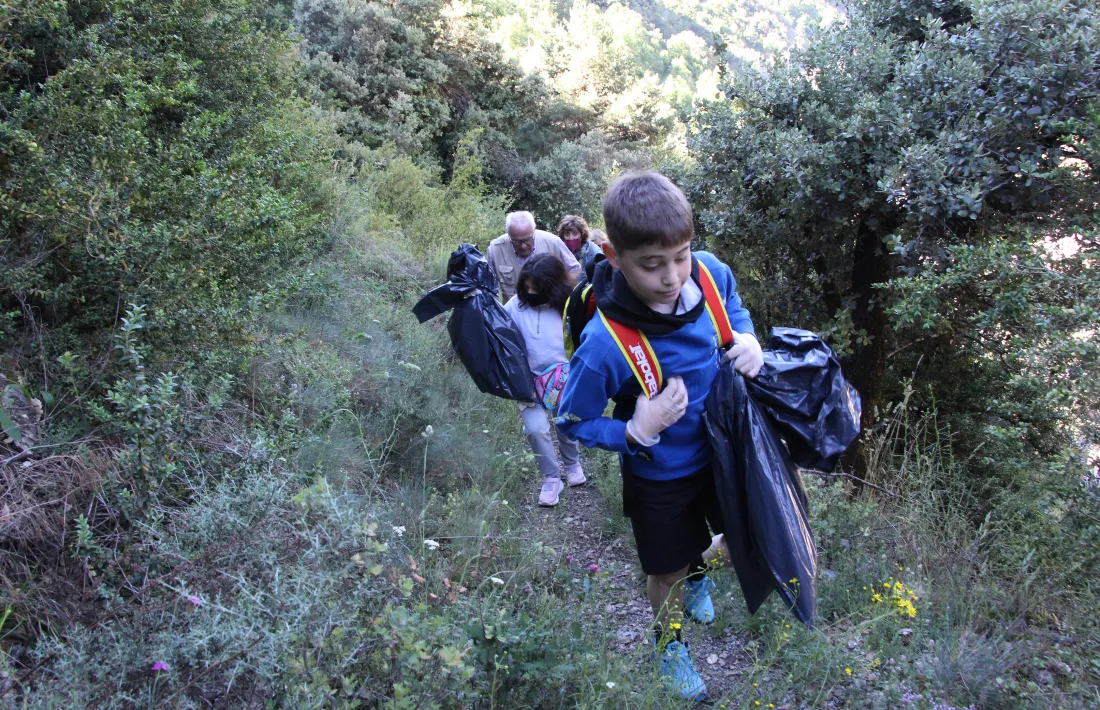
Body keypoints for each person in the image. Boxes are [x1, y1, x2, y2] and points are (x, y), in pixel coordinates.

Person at [555, 171, 763, 702]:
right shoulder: (604, 343)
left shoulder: (709, 273)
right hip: (661, 474)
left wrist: (747, 337)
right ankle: (668, 645)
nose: (671, 277)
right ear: (613, 255)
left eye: (680, 256)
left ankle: (698, 569)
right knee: (666, 570)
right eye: (651, 264)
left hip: (724, 452)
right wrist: (634, 429)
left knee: (747, 540)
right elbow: (571, 419)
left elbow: (734, 304)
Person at [502, 254, 587, 507]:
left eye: (536, 288)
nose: (530, 292)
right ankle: (551, 478)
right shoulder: (515, 306)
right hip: (528, 381)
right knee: (535, 429)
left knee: (566, 421)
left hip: (563, 378)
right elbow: (498, 330)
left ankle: (572, 463)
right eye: (526, 286)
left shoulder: (567, 305)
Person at [487, 211, 580, 302]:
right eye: (517, 241)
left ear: (534, 231)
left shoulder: (553, 242)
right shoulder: (495, 249)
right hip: (513, 309)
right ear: (509, 234)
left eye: (527, 239)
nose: (523, 246)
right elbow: (487, 286)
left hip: (548, 306)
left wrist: (562, 293)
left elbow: (574, 268)